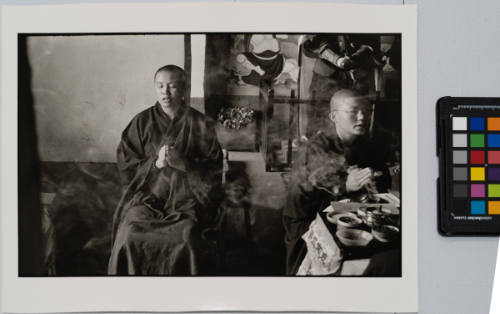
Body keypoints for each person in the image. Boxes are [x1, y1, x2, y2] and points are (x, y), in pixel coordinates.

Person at [108, 65, 223, 275]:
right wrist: (155, 163)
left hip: (187, 201)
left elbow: (214, 170)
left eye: (172, 86)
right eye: (160, 86)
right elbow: (125, 166)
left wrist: (185, 165)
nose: (165, 92)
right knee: (129, 234)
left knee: (186, 239)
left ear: (184, 89)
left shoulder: (200, 124)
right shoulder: (141, 122)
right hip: (147, 199)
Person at [283, 89, 394, 275]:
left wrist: (376, 177)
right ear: (333, 116)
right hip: (310, 221)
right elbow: (313, 186)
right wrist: (346, 185)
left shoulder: (368, 145)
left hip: (354, 215)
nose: (362, 117)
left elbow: (382, 182)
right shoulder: (315, 148)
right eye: (353, 111)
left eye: (367, 111)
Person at [301, 34, 382, 137]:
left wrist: (354, 59)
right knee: (319, 112)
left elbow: (371, 44)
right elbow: (313, 44)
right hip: (326, 72)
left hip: (359, 71)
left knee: (359, 113)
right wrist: (337, 59)